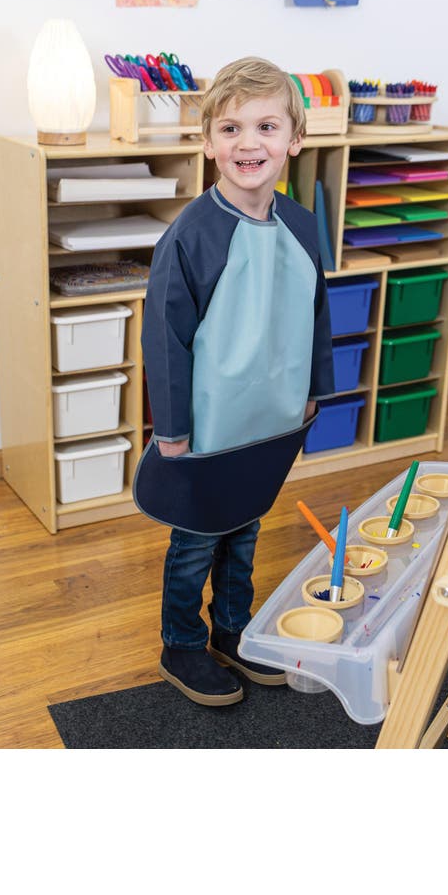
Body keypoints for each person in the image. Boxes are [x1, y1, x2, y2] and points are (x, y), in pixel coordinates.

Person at [141, 56, 335, 706]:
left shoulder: (301, 226)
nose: (248, 143)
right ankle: (181, 643)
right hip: (208, 424)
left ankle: (233, 629)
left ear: (295, 139)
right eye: (230, 129)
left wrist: (313, 391)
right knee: (197, 540)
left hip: (269, 418)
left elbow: (316, 314)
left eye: (266, 126)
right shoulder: (190, 237)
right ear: (208, 143)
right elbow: (164, 340)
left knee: (246, 528)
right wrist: (172, 431)